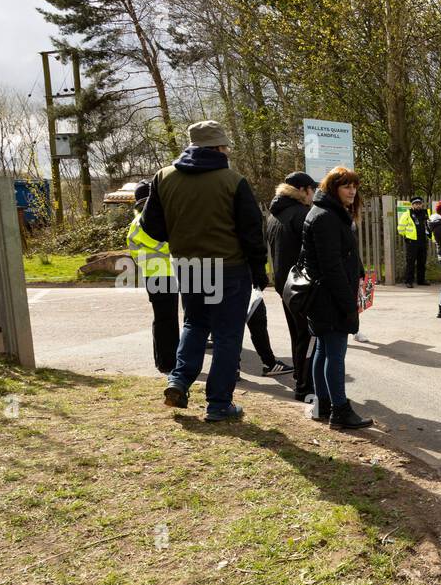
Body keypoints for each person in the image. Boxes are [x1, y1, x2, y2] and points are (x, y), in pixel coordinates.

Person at [142, 119, 269, 423]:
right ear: (220, 147)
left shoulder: (163, 178)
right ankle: (218, 404)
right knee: (227, 335)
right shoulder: (233, 180)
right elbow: (252, 233)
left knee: (194, 324)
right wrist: (259, 271)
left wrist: (182, 230)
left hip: (189, 266)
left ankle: (179, 381)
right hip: (229, 268)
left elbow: (152, 227)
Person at [302, 166, 372, 430]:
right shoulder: (326, 217)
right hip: (328, 297)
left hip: (326, 296)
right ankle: (339, 411)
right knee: (335, 354)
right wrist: (347, 304)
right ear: (333, 188)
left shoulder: (330, 213)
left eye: (354, 186)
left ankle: (323, 405)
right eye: (346, 186)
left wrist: (361, 272)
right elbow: (331, 267)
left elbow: (347, 254)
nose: (352, 191)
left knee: (323, 350)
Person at [266, 171, 319, 401]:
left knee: (297, 332)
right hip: (302, 284)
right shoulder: (301, 214)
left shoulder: (274, 215)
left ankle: (300, 375)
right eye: (312, 190)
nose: (313, 194)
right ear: (303, 190)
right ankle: (305, 386)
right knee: (308, 335)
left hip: (284, 283)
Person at [126, 180, 178, 375]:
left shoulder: (136, 223)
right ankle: (168, 362)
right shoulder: (147, 222)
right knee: (167, 320)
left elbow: (136, 253)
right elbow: (167, 245)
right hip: (163, 274)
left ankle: (164, 360)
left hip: (153, 275)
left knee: (163, 319)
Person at [398, 197, 429, 287]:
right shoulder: (407, 214)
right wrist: (407, 237)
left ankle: (421, 280)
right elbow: (400, 228)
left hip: (423, 241)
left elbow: (429, 225)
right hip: (412, 242)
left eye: (419, 203)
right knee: (411, 262)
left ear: (422, 204)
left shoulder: (425, 213)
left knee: (422, 262)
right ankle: (409, 281)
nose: (418, 205)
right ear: (412, 205)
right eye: (416, 204)